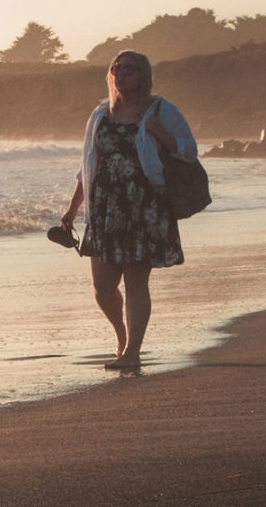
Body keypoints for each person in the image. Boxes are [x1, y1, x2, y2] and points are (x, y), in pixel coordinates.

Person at [57, 50, 196, 370]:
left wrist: (163, 135)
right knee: (102, 287)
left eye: (130, 69)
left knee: (136, 282)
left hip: (145, 207)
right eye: (116, 68)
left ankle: (132, 352)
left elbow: (188, 151)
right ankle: (121, 336)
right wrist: (73, 208)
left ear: (143, 75)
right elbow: (87, 165)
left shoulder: (161, 110)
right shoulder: (100, 114)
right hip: (105, 209)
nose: (122, 73)